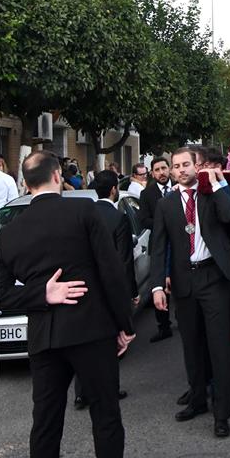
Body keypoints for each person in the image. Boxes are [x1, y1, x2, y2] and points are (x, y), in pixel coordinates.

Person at [0, 151, 144, 458]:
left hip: (44, 340)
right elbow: (112, 272)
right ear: (59, 176)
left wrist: (39, 293)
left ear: (24, 183)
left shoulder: (10, 233)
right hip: (91, 331)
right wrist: (124, 324)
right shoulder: (85, 213)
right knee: (106, 418)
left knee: (44, 427)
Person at [151, 148, 230, 438]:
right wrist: (156, 286)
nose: (180, 170)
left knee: (218, 347)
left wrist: (213, 184)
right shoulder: (166, 205)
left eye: (186, 164)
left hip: (214, 277)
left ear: (197, 166)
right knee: (191, 346)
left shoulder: (211, 195)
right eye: (176, 166)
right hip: (184, 281)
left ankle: (222, 414)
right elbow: (159, 247)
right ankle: (198, 400)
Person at [74, 169, 139, 409]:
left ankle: (81, 393)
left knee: (84, 342)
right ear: (114, 190)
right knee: (111, 341)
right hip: (109, 289)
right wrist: (131, 292)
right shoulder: (118, 218)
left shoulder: (83, 215)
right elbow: (124, 261)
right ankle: (109, 389)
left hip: (85, 287)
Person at [138, 157, 174, 342]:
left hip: (180, 243)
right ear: (152, 173)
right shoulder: (147, 194)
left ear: (169, 169)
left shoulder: (178, 187)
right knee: (159, 285)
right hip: (159, 244)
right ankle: (164, 326)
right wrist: (165, 223)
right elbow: (143, 219)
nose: (161, 172)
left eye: (164, 168)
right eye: (157, 169)